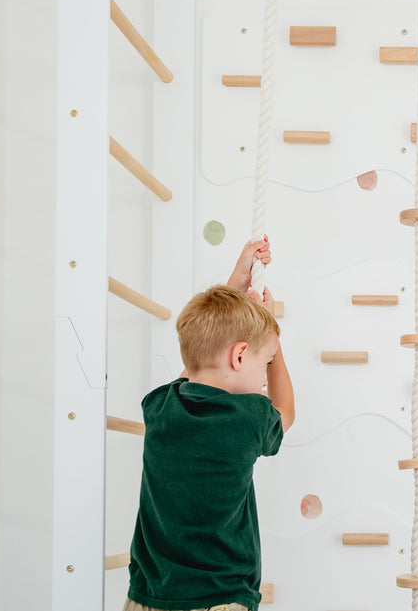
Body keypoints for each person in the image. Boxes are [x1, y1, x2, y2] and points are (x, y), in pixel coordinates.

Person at [126, 236, 295, 611]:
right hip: (219, 599)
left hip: (148, 595)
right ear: (240, 356)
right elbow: (285, 409)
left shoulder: (159, 406)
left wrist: (236, 287)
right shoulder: (249, 416)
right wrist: (273, 337)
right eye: (265, 363)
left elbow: (198, 363)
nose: (264, 377)